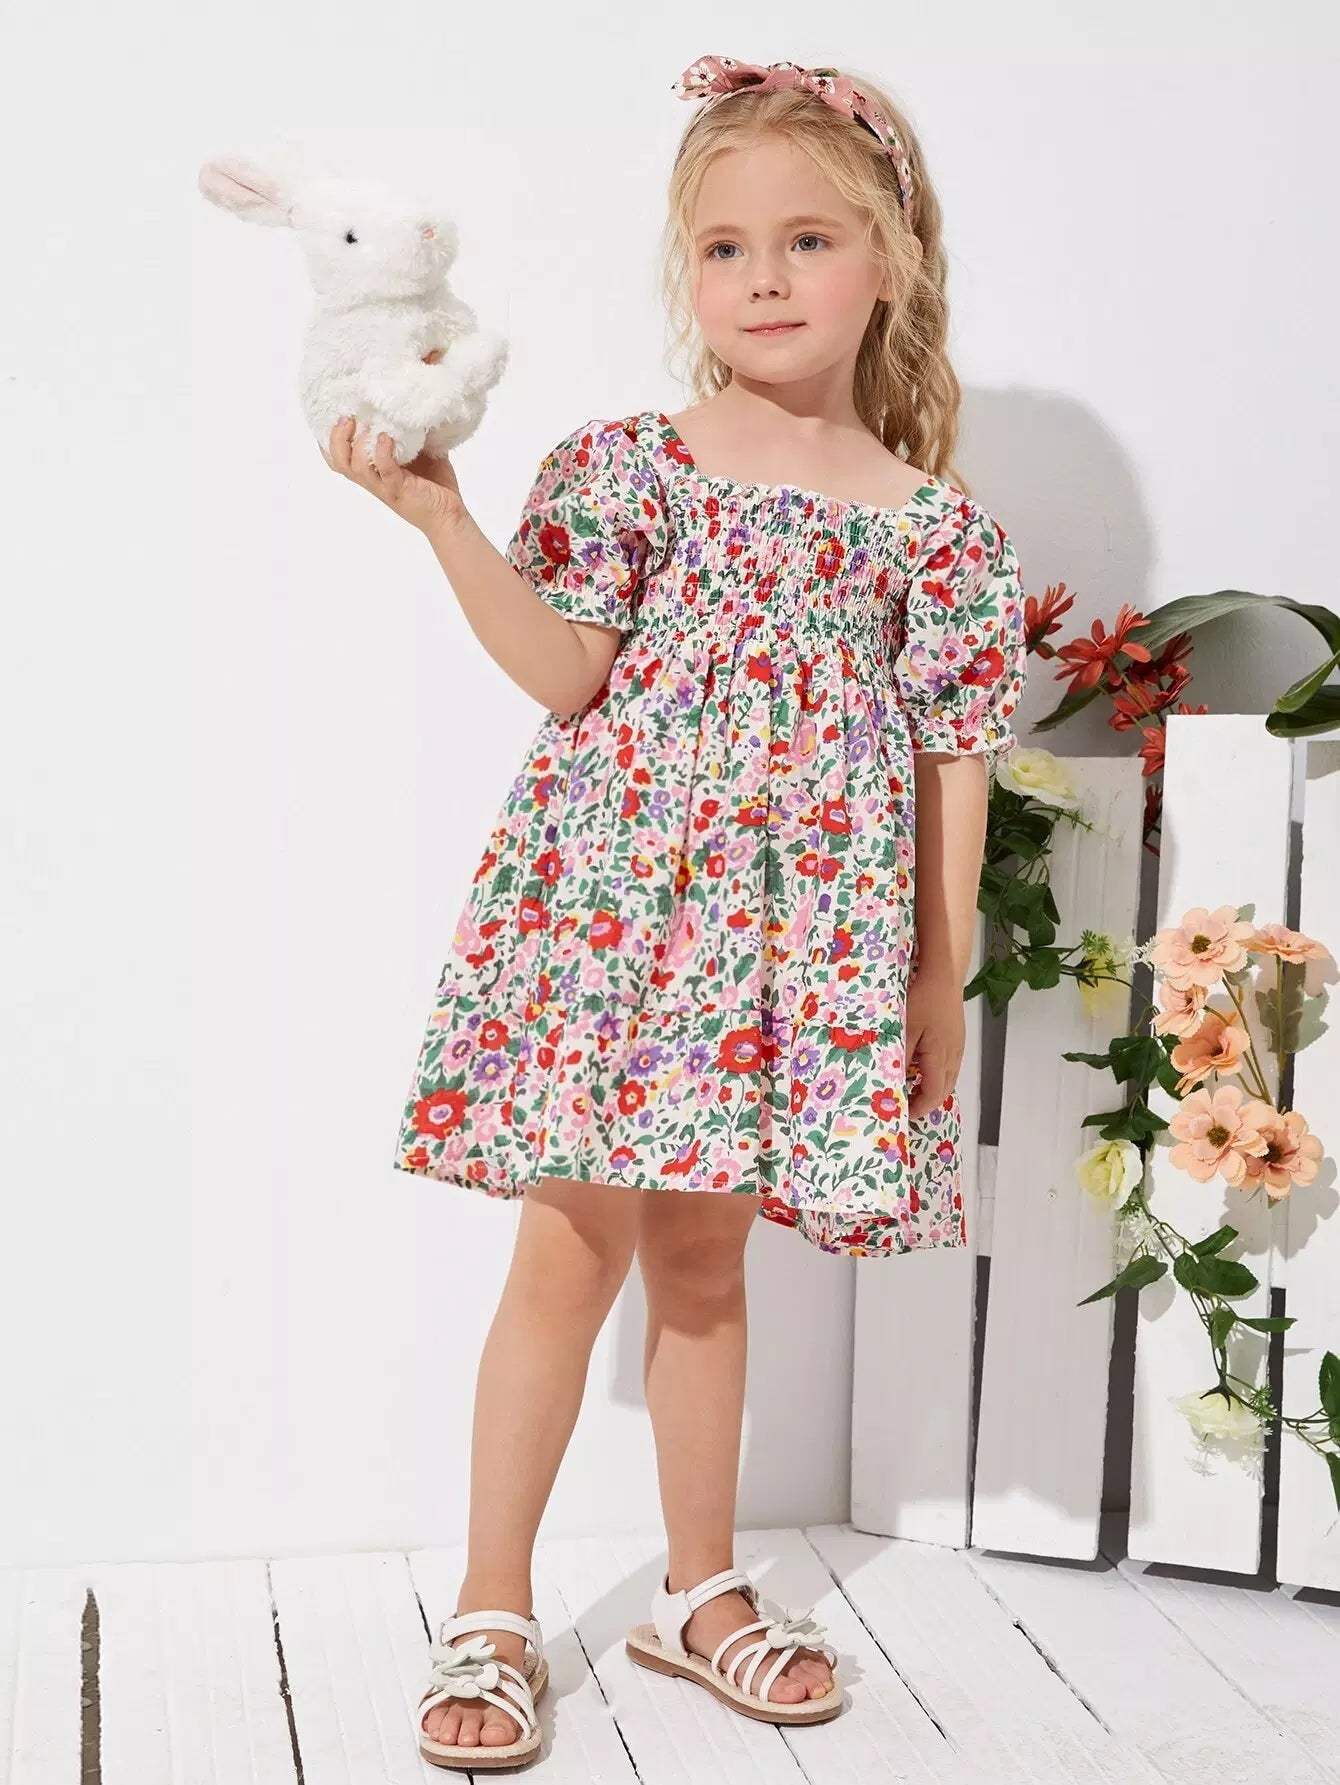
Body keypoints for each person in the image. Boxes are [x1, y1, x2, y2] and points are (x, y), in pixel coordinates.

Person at [320, 52, 1028, 1772]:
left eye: (806, 241)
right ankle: (493, 1600)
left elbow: (955, 758)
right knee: (568, 1254)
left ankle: (697, 1588)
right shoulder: (632, 466)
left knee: (708, 1262)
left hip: (785, 959)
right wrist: (445, 522)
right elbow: (569, 674)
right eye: (724, 248)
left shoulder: (934, 532)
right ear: (685, 270)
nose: (763, 279)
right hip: (620, 930)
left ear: (892, 263)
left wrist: (938, 972)